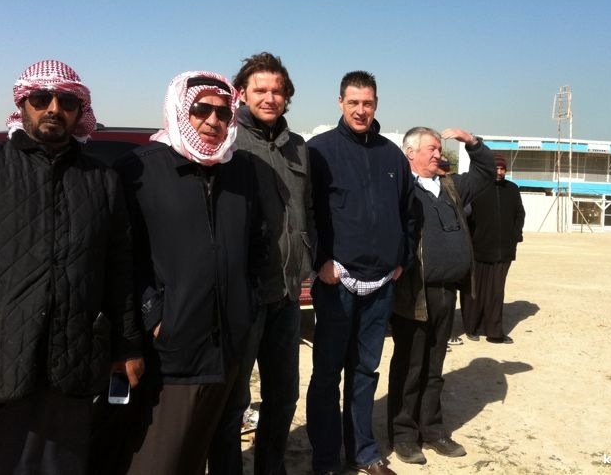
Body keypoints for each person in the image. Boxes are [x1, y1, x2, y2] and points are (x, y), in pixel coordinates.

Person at [0, 60, 144, 475]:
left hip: (70, 359)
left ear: (79, 110)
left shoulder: (100, 180)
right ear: (22, 103)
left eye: (67, 101)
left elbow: (118, 270)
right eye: (41, 98)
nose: (54, 109)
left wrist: (126, 346)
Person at [113, 70, 268, 475]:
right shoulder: (140, 169)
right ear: (181, 109)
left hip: (226, 346)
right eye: (201, 109)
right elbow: (122, 256)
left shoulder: (239, 169)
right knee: (157, 460)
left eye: (223, 113)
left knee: (196, 455)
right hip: (171, 350)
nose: (213, 121)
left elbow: (257, 243)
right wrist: (153, 314)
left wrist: (246, 303)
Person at [209, 52, 315, 475]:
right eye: (260, 90)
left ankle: (271, 467)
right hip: (244, 295)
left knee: (284, 395)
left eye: (277, 91)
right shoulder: (227, 141)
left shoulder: (298, 147)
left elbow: (308, 209)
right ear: (242, 93)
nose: (270, 98)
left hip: (287, 294)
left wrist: (310, 256)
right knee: (232, 400)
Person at [306, 71, 415, 475]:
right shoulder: (319, 151)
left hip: (381, 284)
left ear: (376, 104)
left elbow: (409, 213)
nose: (360, 110)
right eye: (353, 102)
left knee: (366, 371)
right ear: (340, 102)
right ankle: (325, 458)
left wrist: (402, 258)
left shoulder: (392, 156)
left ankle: (364, 451)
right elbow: (308, 213)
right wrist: (321, 260)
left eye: (367, 103)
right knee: (327, 373)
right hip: (337, 283)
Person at [387, 126, 495, 465]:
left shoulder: (450, 187)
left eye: (439, 148)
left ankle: (432, 430)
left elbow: (486, 172)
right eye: (431, 149)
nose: (439, 154)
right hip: (414, 294)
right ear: (410, 153)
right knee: (410, 365)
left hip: (447, 293)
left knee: (434, 366)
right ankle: (404, 435)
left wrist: (471, 142)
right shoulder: (400, 188)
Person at [461, 155, 525, 344]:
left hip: (503, 251)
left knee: (496, 293)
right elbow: (465, 216)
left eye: (502, 169)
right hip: (477, 249)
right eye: (496, 168)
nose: (499, 172)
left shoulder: (512, 189)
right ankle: (471, 328)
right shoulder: (477, 188)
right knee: (474, 291)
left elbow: (519, 214)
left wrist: (515, 235)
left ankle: (494, 332)